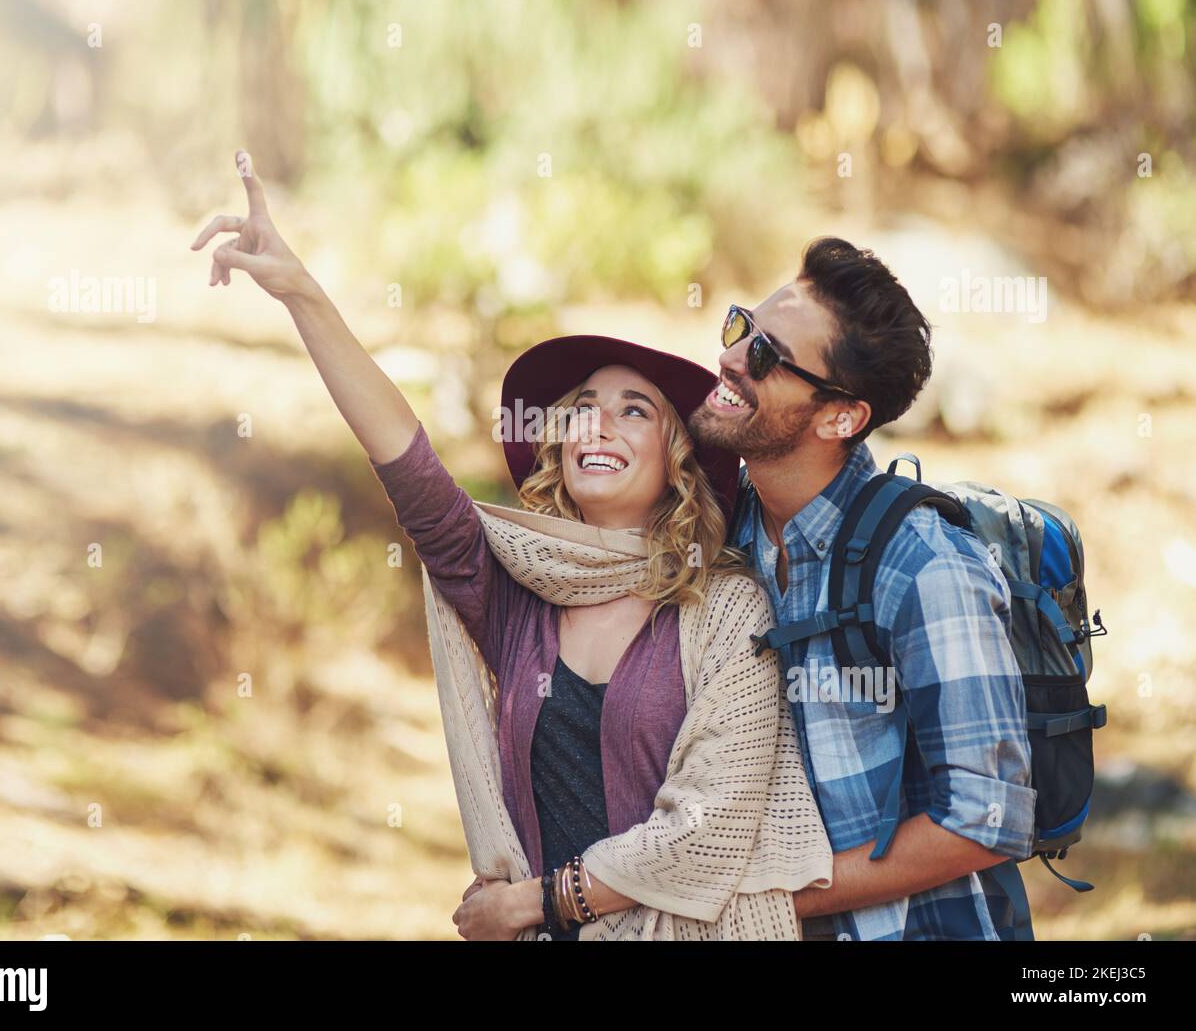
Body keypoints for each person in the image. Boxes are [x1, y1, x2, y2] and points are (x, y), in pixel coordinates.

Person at [191, 150, 832, 940]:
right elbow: (406, 460)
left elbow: (706, 828)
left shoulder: (727, 609)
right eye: (584, 407)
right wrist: (300, 291)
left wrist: (537, 902)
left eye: (635, 411)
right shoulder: (516, 596)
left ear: (679, 462)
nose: (598, 423)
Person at [688, 236, 1037, 940]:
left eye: (763, 354)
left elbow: (986, 819)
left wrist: (775, 899)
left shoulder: (926, 564)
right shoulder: (728, 529)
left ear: (839, 417)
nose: (728, 356)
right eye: (739, 325)